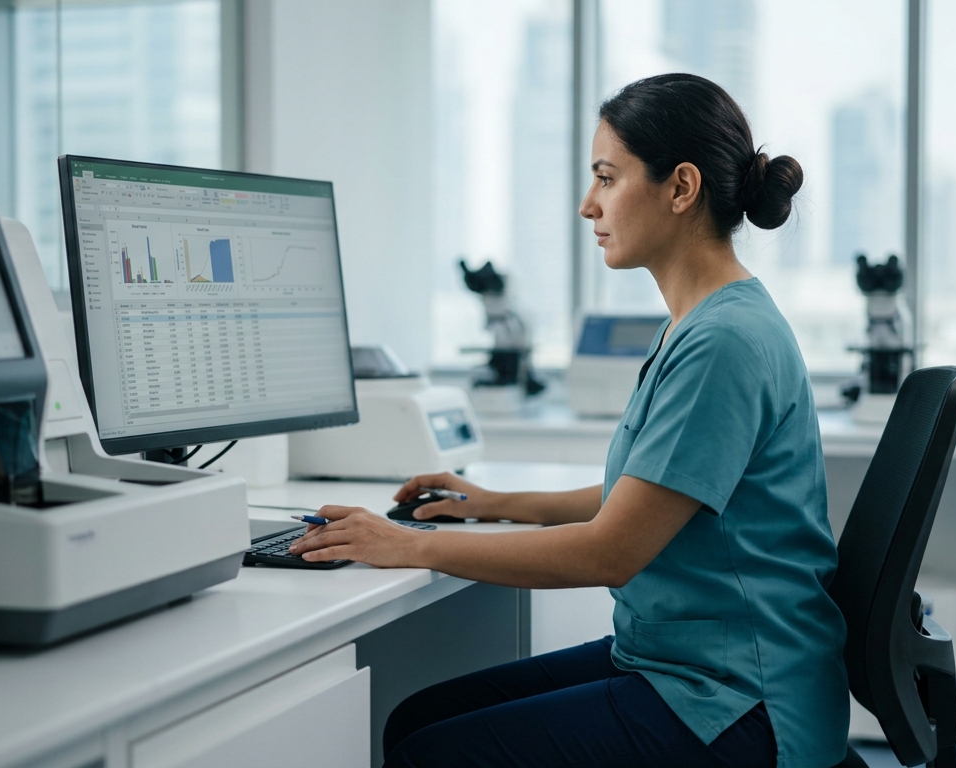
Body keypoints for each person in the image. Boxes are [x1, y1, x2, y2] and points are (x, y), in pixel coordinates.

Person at [290, 72, 849, 768]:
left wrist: (408, 545)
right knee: (415, 719)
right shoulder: (701, 323)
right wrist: (494, 503)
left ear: (680, 188)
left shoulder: (723, 341)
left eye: (608, 178)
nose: (589, 206)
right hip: (693, 662)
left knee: (429, 754)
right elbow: (651, 497)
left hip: (742, 700)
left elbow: (609, 550)